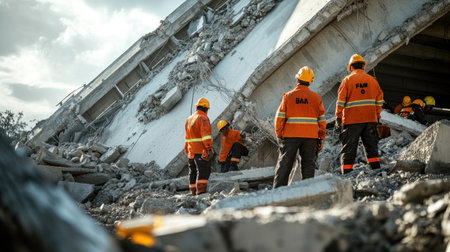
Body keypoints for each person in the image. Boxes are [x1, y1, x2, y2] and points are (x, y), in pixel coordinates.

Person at [273, 66, 326, 188]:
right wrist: (321, 138)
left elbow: (279, 118)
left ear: (297, 80)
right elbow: (322, 121)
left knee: (284, 165)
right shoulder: (316, 98)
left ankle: (277, 193)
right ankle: (307, 192)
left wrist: (279, 135)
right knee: (308, 165)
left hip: (291, 136)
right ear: (310, 81)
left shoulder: (288, 96)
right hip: (311, 137)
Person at [335, 54, 384, 174]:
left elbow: (340, 102)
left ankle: (346, 173)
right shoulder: (372, 81)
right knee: (371, 146)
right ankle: (376, 170)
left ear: (351, 67)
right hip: (370, 119)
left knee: (349, 147)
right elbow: (379, 101)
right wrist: (377, 116)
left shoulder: (347, 81)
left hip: (352, 121)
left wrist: (338, 117)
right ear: (363, 66)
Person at [184, 97, 214, 195]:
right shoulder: (203, 118)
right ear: (206, 109)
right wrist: (209, 148)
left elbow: (187, 137)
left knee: (192, 172)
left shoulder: (189, 119)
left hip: (191, 152)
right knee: (203, 171)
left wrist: (187, 150)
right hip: (201, 151)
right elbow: (205, 136)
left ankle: (192, 192)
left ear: (197, 107)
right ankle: (200, 193)